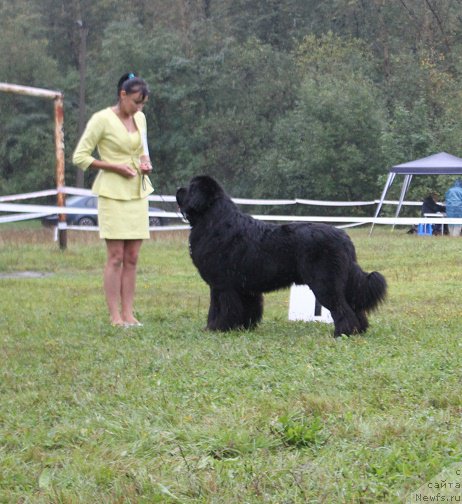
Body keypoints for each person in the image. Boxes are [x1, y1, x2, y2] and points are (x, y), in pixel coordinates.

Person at [72, 73, 154, 326]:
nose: (138, 108)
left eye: (142, 104)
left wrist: (145, 162)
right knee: (116, 256)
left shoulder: (140, 118)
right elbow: (80, 157)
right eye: (135, 102)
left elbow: (142, 150)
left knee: (132, 257)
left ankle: (129, 313)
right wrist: (114, 167)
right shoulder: (101, 119)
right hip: (112, 193)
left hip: (137, 192)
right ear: (122, 95)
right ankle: (115, 316)